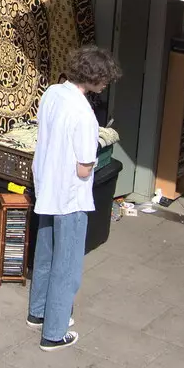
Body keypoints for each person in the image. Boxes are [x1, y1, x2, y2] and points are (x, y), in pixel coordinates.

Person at [28, 45, 121, 351]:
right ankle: (54, 333)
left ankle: (38, 312)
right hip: (70, 196)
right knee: (66, 266)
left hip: (47, 187)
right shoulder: (85, 116)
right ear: (93, 77)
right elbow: (83, 170)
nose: (106, 83)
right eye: (104, 78)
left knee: (45, 253)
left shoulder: (53, 92)